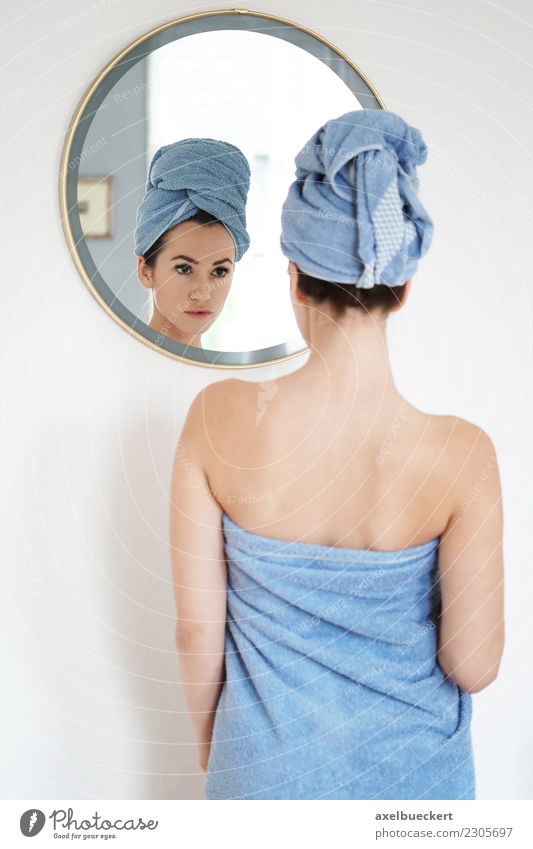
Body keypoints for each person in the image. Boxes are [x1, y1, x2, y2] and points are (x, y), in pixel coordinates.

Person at [169, 109, 505, 799]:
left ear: (293, 276)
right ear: (403, 287)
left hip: (260, 780)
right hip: (416, 791)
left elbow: (197, 628)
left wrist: (223, 761)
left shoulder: (216, 419)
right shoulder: (461, 455)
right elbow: (472, 664)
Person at [134, 138, 250, 348]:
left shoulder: (232, 379)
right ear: (145, 272)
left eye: (220, 271)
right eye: (184, 269)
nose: (203, 293)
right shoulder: (109, 369)